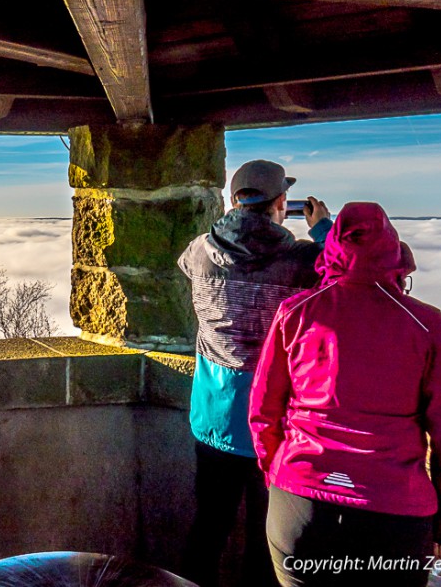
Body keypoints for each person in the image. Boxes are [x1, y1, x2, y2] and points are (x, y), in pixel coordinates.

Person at [249, 202, 441, 587]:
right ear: (396, 257)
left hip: (299, 507)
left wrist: (277, 472)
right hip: (394, 519)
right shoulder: (425, 323)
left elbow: (264, 410)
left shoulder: (296, 312)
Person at [176, 159, 331, 587]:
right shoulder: (303, 261)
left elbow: (189, 266)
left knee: (208, 527)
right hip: (277, 424)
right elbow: (348, 271)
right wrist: (322, 229)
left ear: (233, 200)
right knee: (270, 541)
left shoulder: (199, 251)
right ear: (282, 202)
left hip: (213, 416)